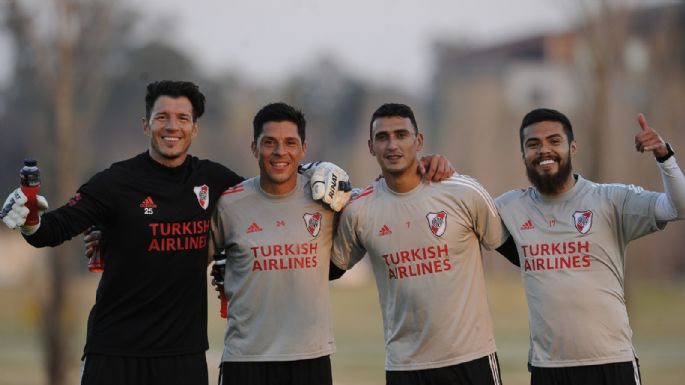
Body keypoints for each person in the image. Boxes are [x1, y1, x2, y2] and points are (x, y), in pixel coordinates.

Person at [0, 81, 352, 385]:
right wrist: (31, 221)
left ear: (194, 129)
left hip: (182, 356)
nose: (173, 126)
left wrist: (317, 169)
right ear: (146, 124)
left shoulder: (216, 182)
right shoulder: (115, 182)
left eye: (183, 118)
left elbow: (271, 185)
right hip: (115, 350)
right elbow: (54, 229)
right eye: (162, 117)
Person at [495, 108, 685, 385]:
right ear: (523, 153)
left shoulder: (610, 200)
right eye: (533, 144)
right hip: (548, 368)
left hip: (612, 362)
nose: (544, 150)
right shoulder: (509, 207)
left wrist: (665, 157)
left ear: (572, 146)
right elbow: (460, 219)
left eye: (554, 141)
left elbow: (678, 207)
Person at [332, 103, 508, 385]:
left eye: (401, 134)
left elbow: (514, 249)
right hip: (405, 366)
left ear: (419, 141)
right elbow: (330, 269)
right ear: (370, 146)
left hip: (472, 360)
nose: (392, 145)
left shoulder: (463, 192)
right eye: (382, 137)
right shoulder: (359, 210)